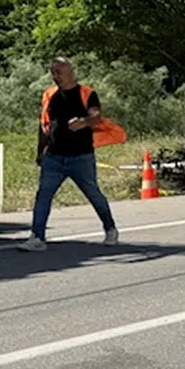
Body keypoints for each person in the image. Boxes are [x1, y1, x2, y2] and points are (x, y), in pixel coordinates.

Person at [20, 57, 124, 251]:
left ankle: (110, 229)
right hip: (54, 156)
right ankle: (37, 237)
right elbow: (44, 124)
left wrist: (84, 122)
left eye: (59, 72)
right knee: (43, 194)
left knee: (93, 193)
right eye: (53, 72)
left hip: (81, 157)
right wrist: (40, 151)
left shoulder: (87, 93)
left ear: (70, 72)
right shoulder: (49, 95)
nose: (55, 76)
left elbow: (96, 117)